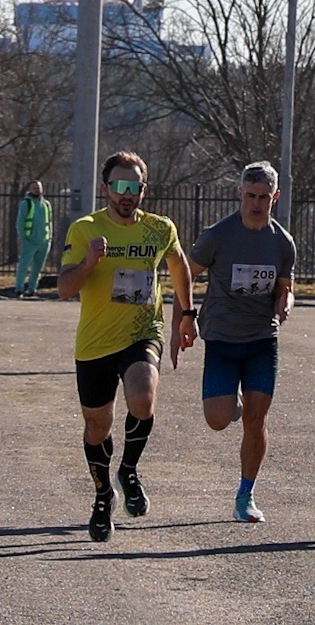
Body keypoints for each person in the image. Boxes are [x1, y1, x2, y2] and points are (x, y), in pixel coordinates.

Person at [59, 151, 197, 542]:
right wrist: (88, 263)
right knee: (97, 426)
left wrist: (187, 313)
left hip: (142, 332)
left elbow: (179, 265)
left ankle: (129, 469)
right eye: (119, 186)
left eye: (134, 187)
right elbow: (64, 290)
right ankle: (103, 495)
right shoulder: (85, 229)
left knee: (143, 398)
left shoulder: (159, 229)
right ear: (106, 189)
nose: (127, 194)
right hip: (96, 343)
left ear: (143, 190)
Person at [173, 161, 296, 524]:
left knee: (257, 421)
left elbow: (285, 287)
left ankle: (246, 494)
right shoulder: (218, 236)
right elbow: (184, 274)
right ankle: (234, 404)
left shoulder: (282, 242)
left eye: (264, 198)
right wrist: (184, 319)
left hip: (262, 338)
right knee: (217, 419)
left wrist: (285, 302)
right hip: (223, 340)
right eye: (250, 196)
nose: (256, 204)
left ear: (275, 197)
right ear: (239, 193)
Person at [15, 180, 53, 297]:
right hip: (29, 241)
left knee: (38, 267)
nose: (37, 190)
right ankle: (19, 288)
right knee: (24, 265)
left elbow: (50, 222)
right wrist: (23, 238)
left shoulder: (46, 204)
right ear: (30, 190)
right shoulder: (26, 204)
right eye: (34, 188)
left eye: (38, 188)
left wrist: (50, 237)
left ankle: (32, 289)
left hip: (44, 241)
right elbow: (20, 222)